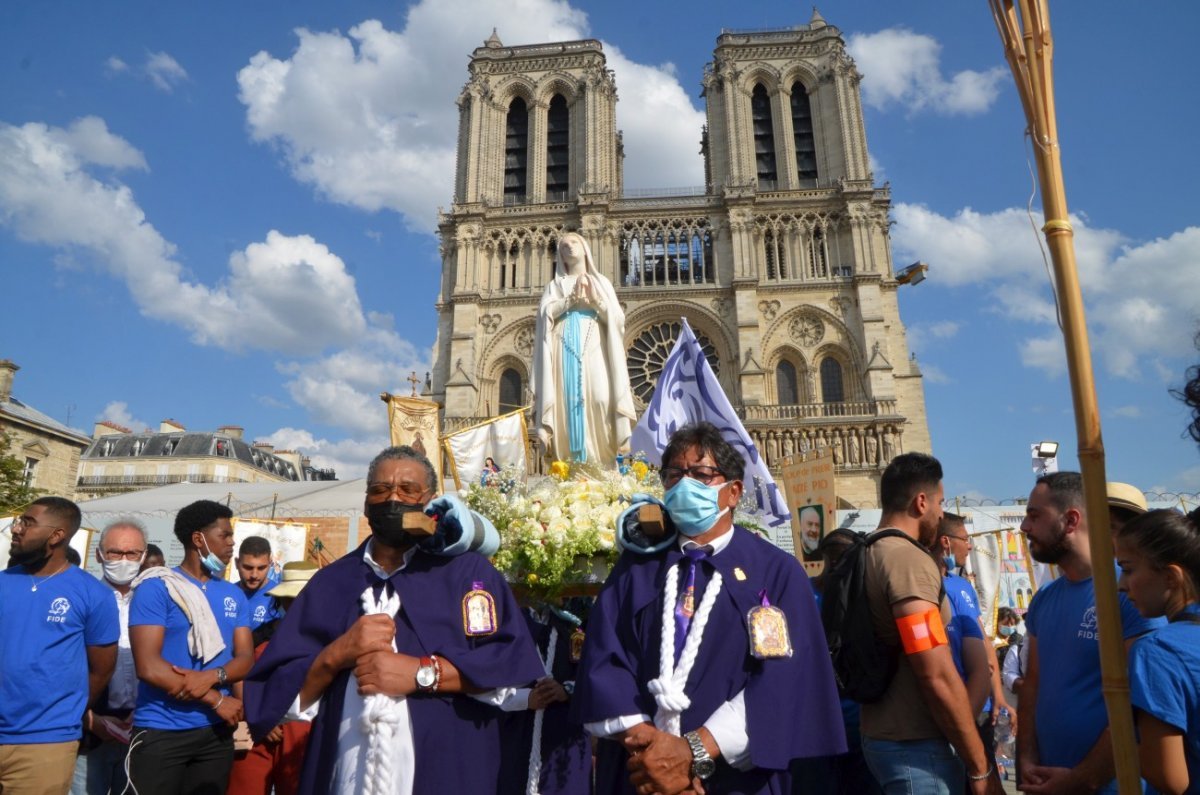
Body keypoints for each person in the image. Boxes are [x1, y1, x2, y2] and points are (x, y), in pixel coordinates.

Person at [242, 445, 546, 794]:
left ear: (431, 501)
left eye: (408, 489)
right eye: (380, 490)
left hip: (447, 768)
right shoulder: (332, 582)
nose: (392, 498)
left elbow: (507, 664)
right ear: (366, 503)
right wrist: (336, 653)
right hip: (346, 773)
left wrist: (422, 673)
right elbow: (276, 690)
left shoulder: (467, 574)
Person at [573, 422, 845, 795]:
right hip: (641, 774)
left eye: (701, 475)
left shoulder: (775, 572)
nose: (684, 485)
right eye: (673, 475)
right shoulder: (636, 570)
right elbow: (605, 658)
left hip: (735, 779)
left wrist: (691, 752)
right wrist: (652, 755)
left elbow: (783, 681)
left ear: (733, 492)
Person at [859, 454, 1000, 795]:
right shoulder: (906, 560)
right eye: (939, 502)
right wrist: (980, 766)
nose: (940, 513)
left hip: (881, 735)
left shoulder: (864, 552)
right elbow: (933, 670)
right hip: (917, 748)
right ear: (921, 502)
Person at [1017, 472, 1164, 794]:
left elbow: (1140, 703)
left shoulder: (1129, 593)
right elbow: (1032, 686)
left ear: (1071, 520)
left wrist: (1082, 779)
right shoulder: (1045, 598)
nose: (1024, 527)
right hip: (1046, 782)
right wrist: (1025, 760)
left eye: (1034, 515)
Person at [127, 499, 255, 794]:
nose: (232, 542)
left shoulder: (233, 595)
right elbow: (148, 666)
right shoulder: (157, 587)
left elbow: (245, 657)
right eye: (224, 535)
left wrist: (212, 677)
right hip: (161, 729)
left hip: (215, 733)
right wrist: (216, 699)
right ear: (199, 539)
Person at [0, 497, 119, 795]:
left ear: (57, 535)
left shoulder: (93, 595)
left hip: (45, 743)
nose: (17, 529)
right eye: (19, 521)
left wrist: (66, 711)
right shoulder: (2, 582)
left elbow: (102, 670)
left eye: (27, 523)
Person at [1115, 509, 1200, 795]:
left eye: (1128, 569)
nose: (1120, 584)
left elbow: (1170, 777)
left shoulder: (1157, 651)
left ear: (1171, 577)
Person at [532, 231, 636, 464]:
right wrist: (569, 301)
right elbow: (544, 316)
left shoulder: (602, 282)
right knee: (565, 400)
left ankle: (602, 462)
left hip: (594, 340)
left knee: (600, 397)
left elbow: (618, 321)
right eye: (563, 245)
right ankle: (570, 462)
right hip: (563, 343)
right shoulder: (555, 285)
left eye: (574, 242)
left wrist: (596, 301)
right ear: (559, 255)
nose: (569, 247)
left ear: (586, 247)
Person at [934, 515, 1014, 781]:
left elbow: (982, 641)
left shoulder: (961, 585)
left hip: (978, 709)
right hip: (956, 711)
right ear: (946, 542)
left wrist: (998, 695)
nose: (969, 547)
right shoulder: (933, 584)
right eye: (965, 540)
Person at [228, 561, 319, 795]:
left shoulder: (332, 639)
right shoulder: (261, 634)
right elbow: (239, 673)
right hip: (259, 729)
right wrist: (258, 716)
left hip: (305, 731)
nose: (294, 605)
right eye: (289, 599)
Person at [71, 519, 148, 795]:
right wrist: (89, 718)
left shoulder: (153, 600)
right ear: (99, 554)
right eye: (115, 553)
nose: (124, 560)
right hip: (90, 729)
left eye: (132, 554)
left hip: (142, 729)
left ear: (144, 556)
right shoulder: (83, 598)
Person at [497, 602, 591, 795]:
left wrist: (567, 690)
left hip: (563, 731)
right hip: (517, 731)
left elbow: (596, 670)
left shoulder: (579, 617)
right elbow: (490, 675)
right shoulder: (506, 614)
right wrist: (526, 698)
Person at [237, 536, 282, 632]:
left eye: (261, 568)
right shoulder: (227, 593)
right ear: (237, 563)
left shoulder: (279, 596)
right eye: (248, 568)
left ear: (270, 564)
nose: (254, 575)